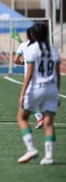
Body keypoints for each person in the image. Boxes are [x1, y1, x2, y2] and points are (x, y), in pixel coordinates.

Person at [16, 23, 61, 165]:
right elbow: (58, 75)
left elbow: (29, 74)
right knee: (49, 123)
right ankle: (49, 157)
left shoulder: (31, 49)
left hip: (36, 88)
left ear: (32, 35)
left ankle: (30, 149)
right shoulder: (53, 49)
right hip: (51, 89)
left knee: (22, 118)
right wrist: (57, 93)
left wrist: (23, 93)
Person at [13, 27, 44, 129]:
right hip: (43, 75)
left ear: (28, 35)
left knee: (27, 100)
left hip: (30, 76)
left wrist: (22, 63)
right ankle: (42, 117)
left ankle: (40, 118)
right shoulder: (43, 46)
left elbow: (15, 60)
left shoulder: (23, 45)